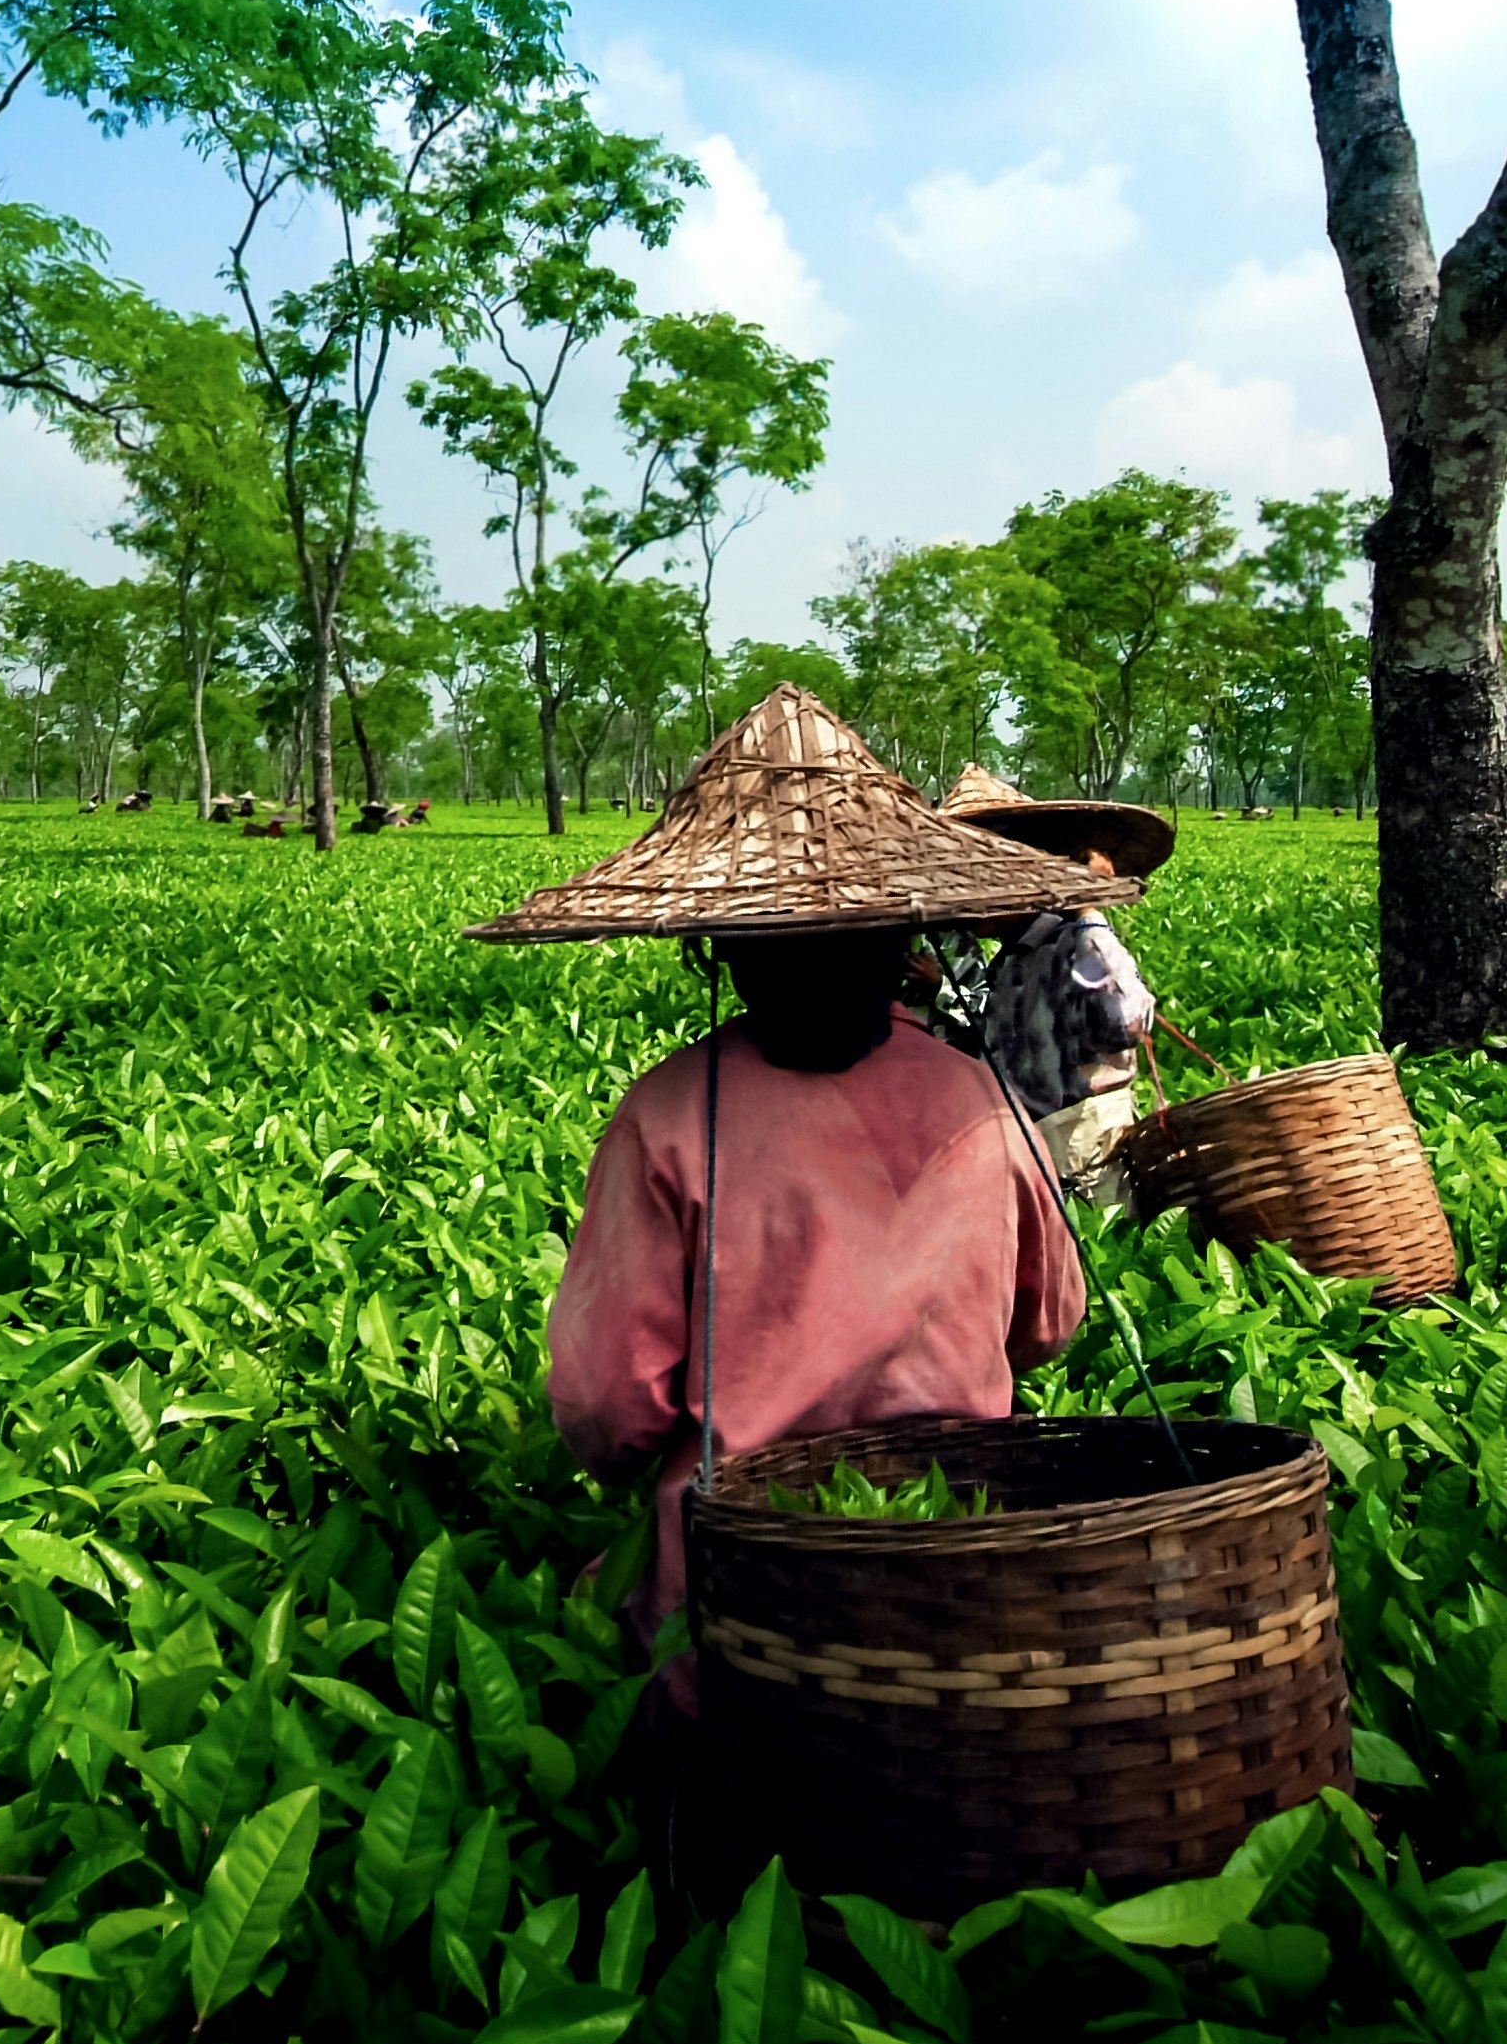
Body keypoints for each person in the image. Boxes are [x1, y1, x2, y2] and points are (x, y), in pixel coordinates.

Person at [470, 686, 1135, 1890]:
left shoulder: (666, 1116)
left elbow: (605, 1404)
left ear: (717, 947)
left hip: (733, 1601)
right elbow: (1049, 1322)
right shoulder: (975, 1100)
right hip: (953, 1581)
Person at [940, 767, 1171, 1207]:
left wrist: (1089, 907)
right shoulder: (1009, 961)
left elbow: (1127, 1022)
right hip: (1025, 1164)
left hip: (1089, 1175)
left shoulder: (1072, 942)